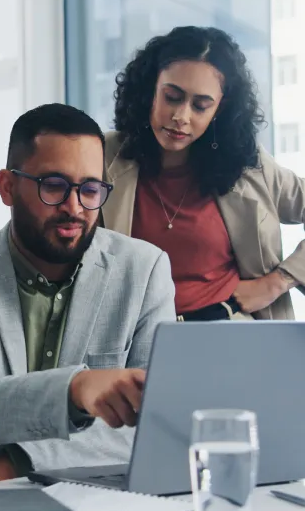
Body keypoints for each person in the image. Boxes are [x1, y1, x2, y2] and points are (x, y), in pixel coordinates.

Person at [0, 103, 175, 493]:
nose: (75, 207)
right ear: (7, 187)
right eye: (53, 185)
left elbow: (155, 419)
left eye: (90, 189)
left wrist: (21, 460)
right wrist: (76, 389)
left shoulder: (145, 270)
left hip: (97, 503)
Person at [102, 25, 305, 321]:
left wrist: (278, 282)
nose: (180, 117)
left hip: (232, 337)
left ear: (219, 111)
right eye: (172, 97)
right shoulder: (103, 154)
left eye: (200, 106)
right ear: (149, 91)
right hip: (133, 342)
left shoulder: (248, 164)